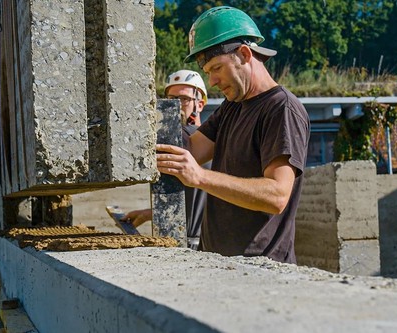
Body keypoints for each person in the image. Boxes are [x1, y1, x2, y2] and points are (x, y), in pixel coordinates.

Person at [155, 6, 310, 264]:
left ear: (245, 54)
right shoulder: (233, 106)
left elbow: (277, 196)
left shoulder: (281, 109)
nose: (213, 81)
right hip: (220, 264)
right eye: (208, 72)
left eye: (217, 67)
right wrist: (155, 116)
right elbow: (192, 149)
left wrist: (200, 176)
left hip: (260, 270)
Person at [123, 70, 212, 250]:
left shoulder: (205, 142)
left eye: (184, 99)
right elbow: (188, 199)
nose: (177, 105)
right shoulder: (175, 142)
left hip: (201, 242)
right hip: (178, 237)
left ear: (200, 104)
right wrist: (151, 213)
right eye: (171, 99)